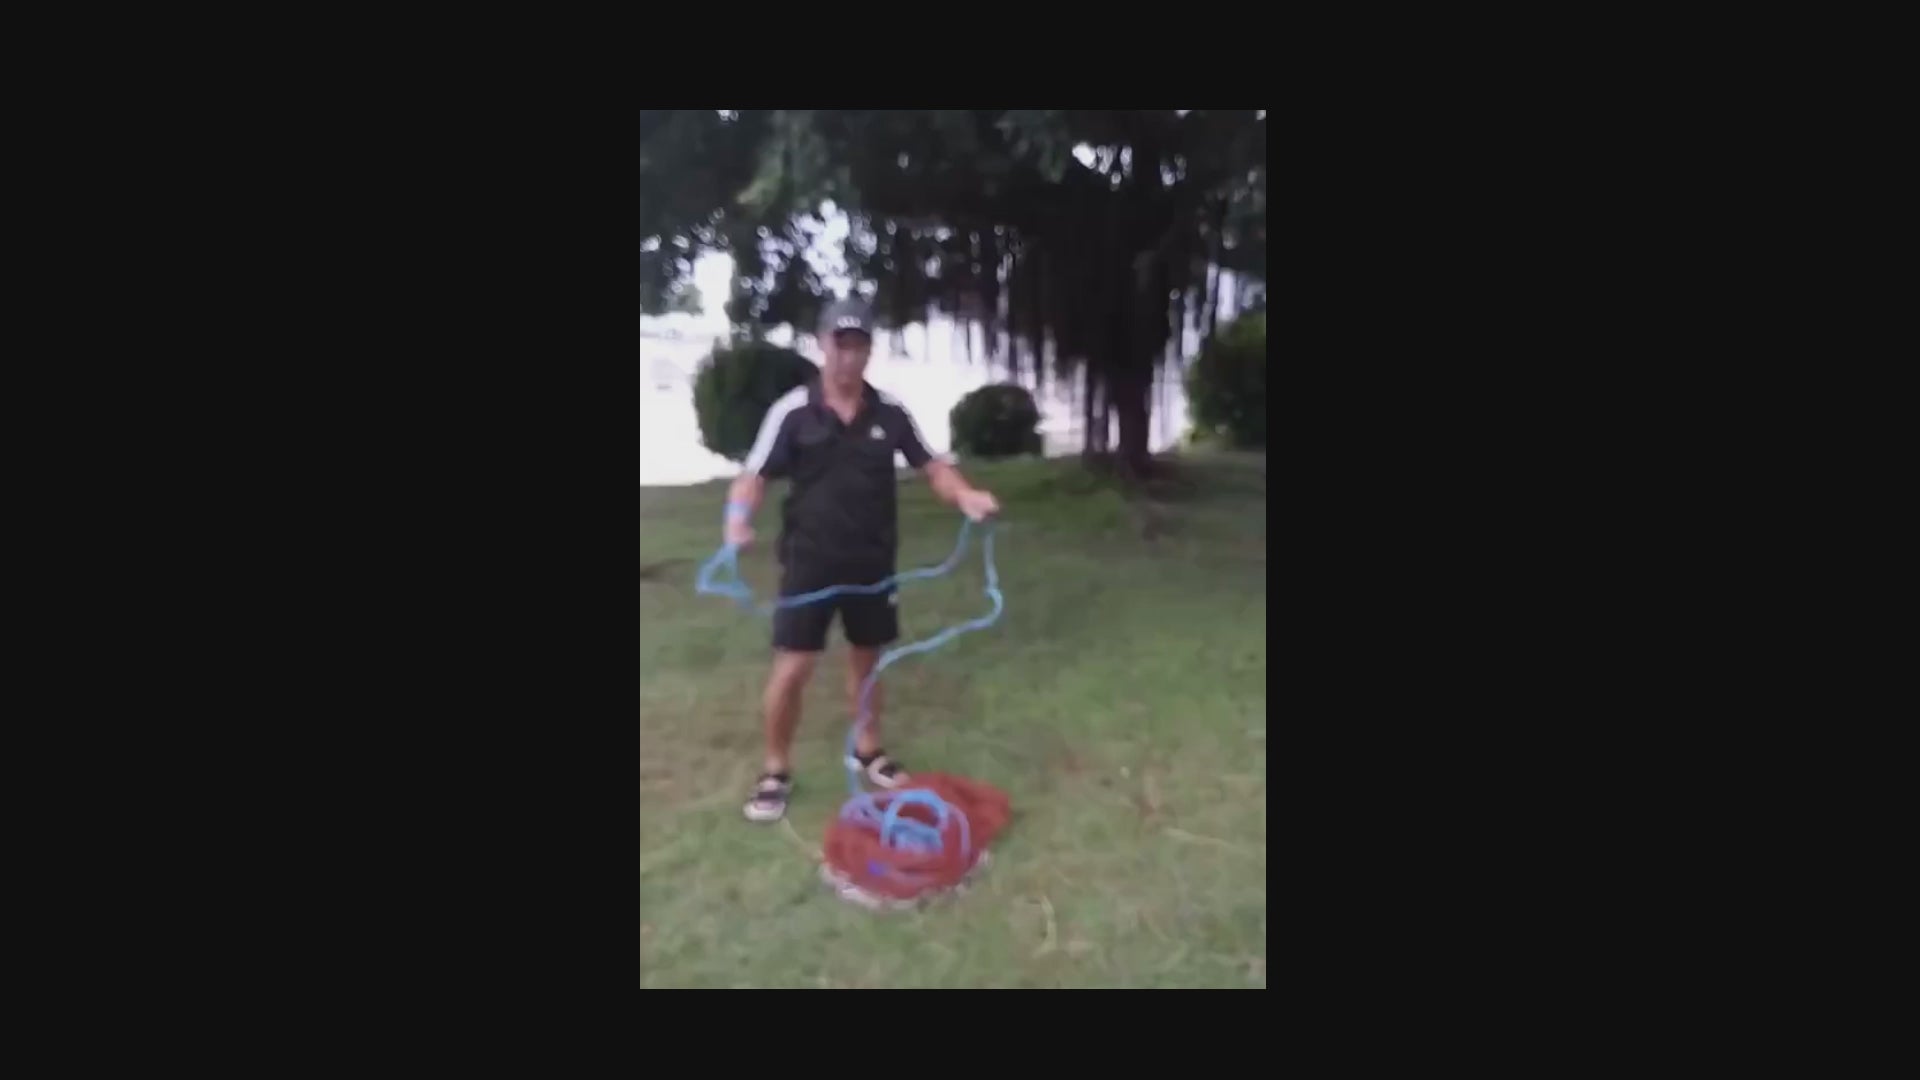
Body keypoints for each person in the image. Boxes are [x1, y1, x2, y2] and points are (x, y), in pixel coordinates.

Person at [723, 297, 1000, 823]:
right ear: (822, 345)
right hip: (809, 564)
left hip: (872, 562)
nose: (849, 357)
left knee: (868, 660)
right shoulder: (793, 411)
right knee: (794, 667)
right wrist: (737, 519)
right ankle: (776, 768)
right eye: (840, 345)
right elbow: (753, 476)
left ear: (869, 350)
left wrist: (965, 496)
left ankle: (868, 748)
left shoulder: (889, 412)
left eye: (859, 346)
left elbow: (932, 465)